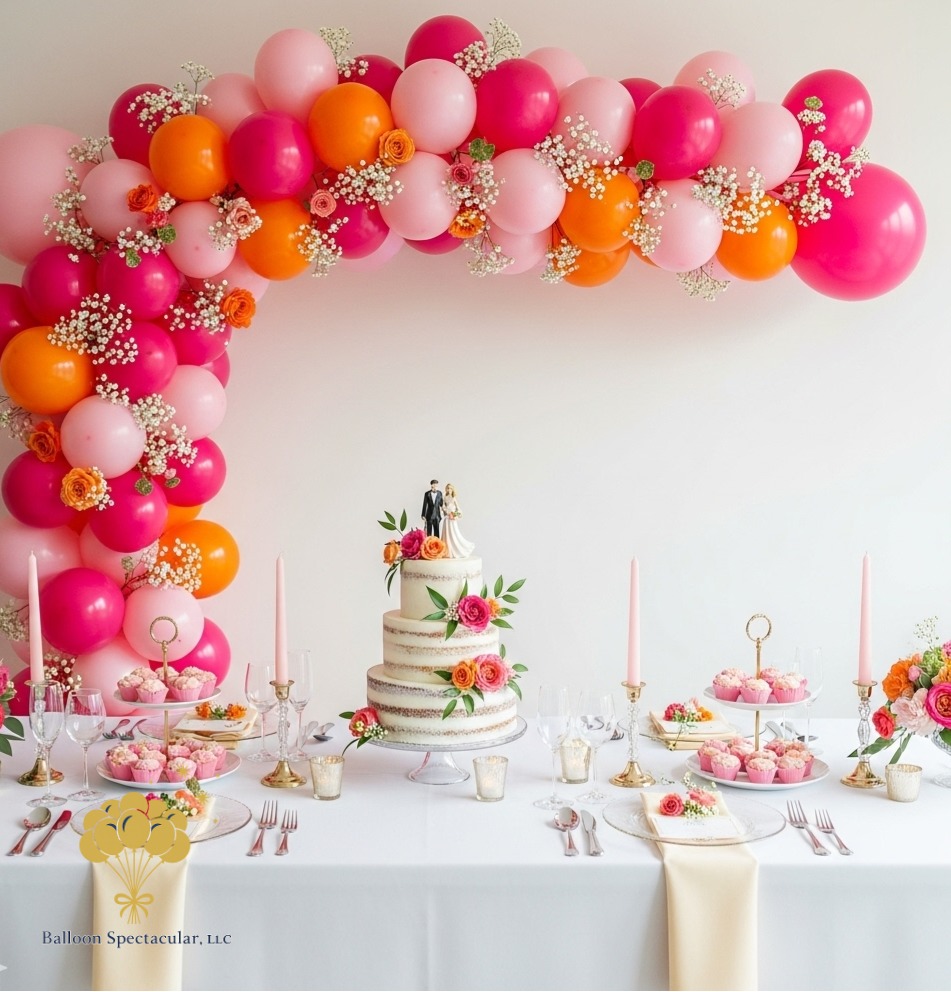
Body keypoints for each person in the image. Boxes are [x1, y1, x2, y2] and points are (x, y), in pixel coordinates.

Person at [440, 483, 475, 558]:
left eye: (450, 488)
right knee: (446, 533)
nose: (449, 490)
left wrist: (454, 515)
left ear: (452, 490)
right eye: (448, 488)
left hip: (452, 519)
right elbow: (443, 507)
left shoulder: (453, 498)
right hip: (447, 518)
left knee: (453, 533)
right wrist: (446, 511)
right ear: (446, 489)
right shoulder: (444, 497)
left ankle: (455, 548)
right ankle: (446, 551)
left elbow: (459, 509)